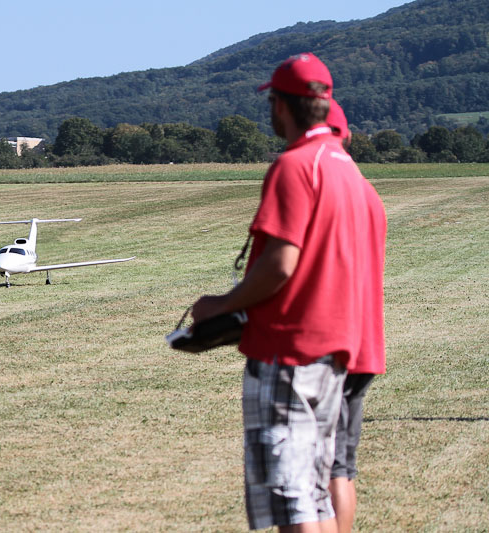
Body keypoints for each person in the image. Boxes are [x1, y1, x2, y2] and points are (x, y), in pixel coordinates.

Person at [191, 53, 386, 532]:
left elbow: (280, 264)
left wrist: (220, 305)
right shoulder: (350, 172)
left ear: (281, 105)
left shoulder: (296, 165)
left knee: (290, 495)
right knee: (316, 493)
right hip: (335, 352)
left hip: (289, 352)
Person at [325, 98, 387, 533]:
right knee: (342, 467)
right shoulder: (367, 192)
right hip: (365, 344)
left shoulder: (321, 181)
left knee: (314, 472)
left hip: (328, 343)